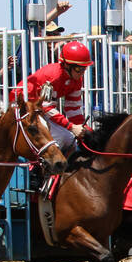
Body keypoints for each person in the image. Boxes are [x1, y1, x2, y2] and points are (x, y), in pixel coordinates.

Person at [10, 40, 91, 193]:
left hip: (39, 107)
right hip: (22, 104)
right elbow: (47, 108)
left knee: (70, 139)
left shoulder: (76, 80)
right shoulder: (52, 76)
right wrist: (71, 127)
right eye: (80, 69)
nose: (82, 73)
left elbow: (73, 108)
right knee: (61, 137)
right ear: (67, 65)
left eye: (85, 69)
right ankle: (36, 176)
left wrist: (83, 128)